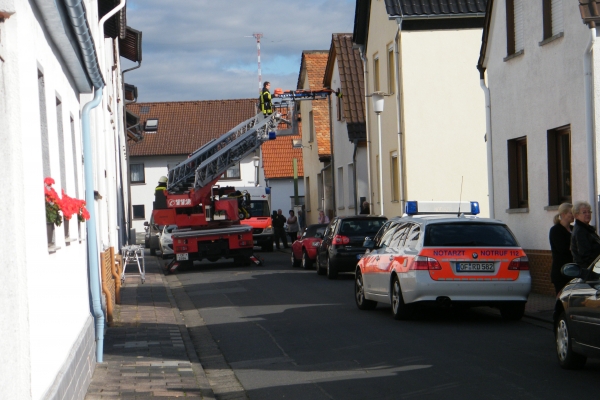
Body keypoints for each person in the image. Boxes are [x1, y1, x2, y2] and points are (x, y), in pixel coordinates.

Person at [549, 203, 574, 294]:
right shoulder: (556, 230)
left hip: (574, 271)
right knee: (562, 298)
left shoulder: (574, 229)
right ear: (563, 214)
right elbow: (562, 249)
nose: (573, 215)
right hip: (561, 271)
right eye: (571, 213)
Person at [571, 201, 600, 272]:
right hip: (589, 270)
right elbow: (585, 254)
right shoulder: (580, 231)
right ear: (576, 215)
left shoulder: (587, 229)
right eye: (584, 212)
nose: (588, 214)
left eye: (589, 212)